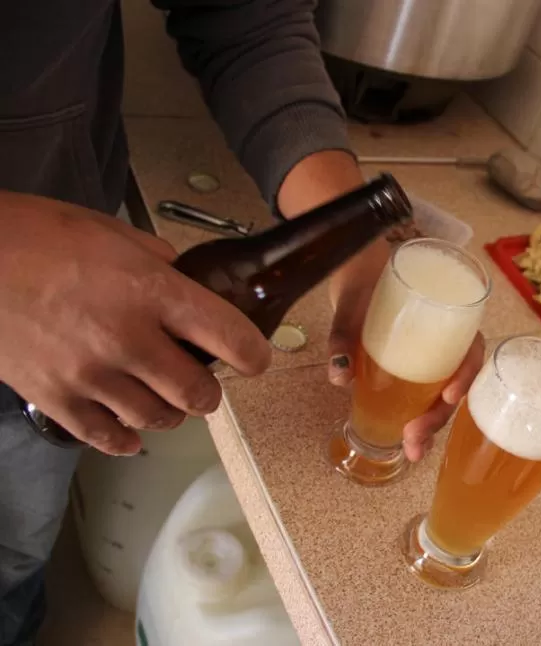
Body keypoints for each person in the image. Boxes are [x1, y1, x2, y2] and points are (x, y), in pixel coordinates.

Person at [0, 1, 484, 643]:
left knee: (15, 552)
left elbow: (242, 16)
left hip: (76, 320)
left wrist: (355, 241)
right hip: (44, 304)